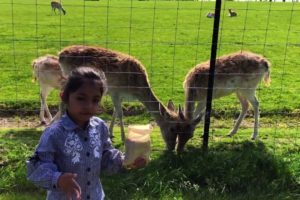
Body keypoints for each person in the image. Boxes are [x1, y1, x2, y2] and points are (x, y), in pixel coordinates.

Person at [27, 66, 146, 200]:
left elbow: (106, 156)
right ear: (65, 97)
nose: (88, 105)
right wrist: (58, 179)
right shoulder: (54, 133)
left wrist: (126, 161)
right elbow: (36, 167)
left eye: (95, 100)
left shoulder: (100, 127)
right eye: (81, 98)